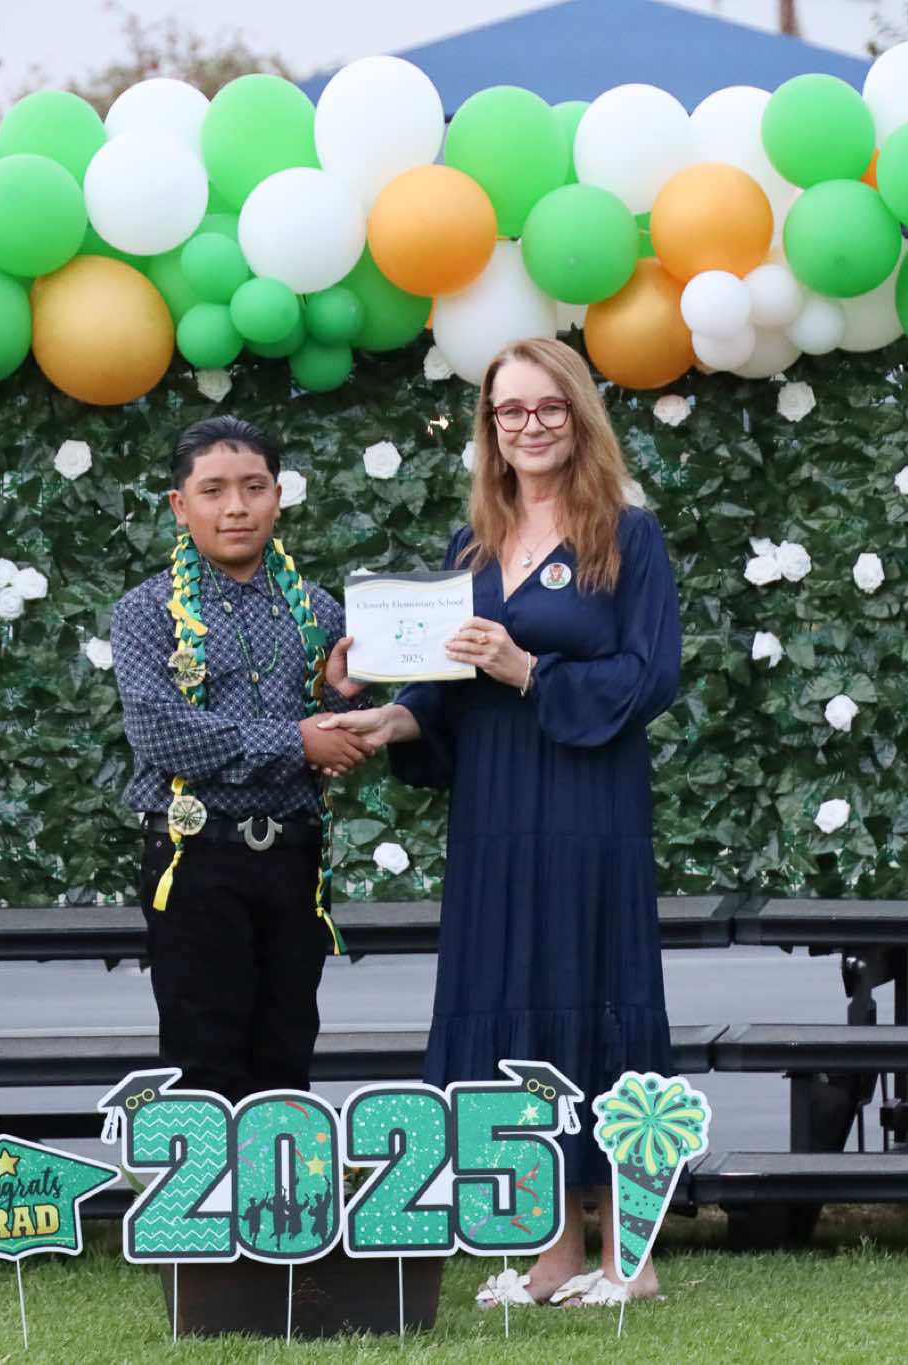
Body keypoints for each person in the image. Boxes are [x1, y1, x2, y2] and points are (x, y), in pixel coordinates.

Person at [321, 337, 682, 1306]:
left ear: (578, 415)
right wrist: (388, 718)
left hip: (587, 807)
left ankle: (632, 1260)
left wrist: (527, 669)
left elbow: (651, 676)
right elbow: (441, 694)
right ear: (488, 425)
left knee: (597, 997)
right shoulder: (469, 547)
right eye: (509, 410)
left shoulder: (628, 535)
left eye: (547, 406)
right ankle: (553, 1253)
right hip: (493, 814)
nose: (529, 425)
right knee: (515, 1002)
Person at [110, 415, 372, 1104]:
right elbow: (162, 733)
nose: (236, 507)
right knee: (204, 1060)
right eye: (214, 490)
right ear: (180, 505)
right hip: (196, 859)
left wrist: (341, 700)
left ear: (278, 496)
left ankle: (279, 1178)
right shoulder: (147, 611)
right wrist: (297, 741)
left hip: (293, 858)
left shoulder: (319, 611)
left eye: (254, 487)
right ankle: (206, 1179)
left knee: (286, 1054)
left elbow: (337, 735)